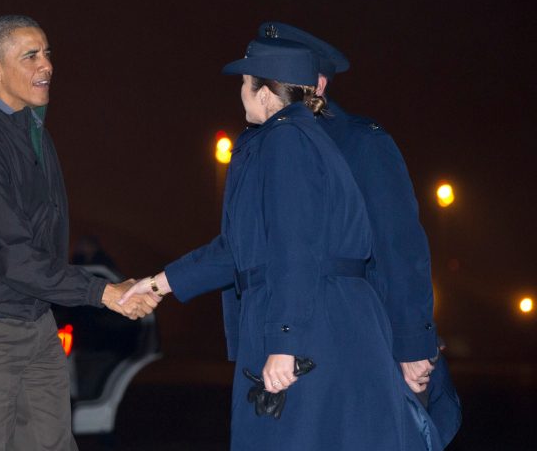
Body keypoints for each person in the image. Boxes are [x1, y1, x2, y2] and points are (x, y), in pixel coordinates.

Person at [121, 38, 440, 449]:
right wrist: (155, 285)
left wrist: (286, 342)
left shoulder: (285, 141)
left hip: (310, 327)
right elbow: (238, 249)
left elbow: (295, 248)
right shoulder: (295, 139)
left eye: (245, 83)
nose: (239, 93)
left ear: (266, 93)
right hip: (318, 318)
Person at [0, 15, 157, 451]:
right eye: (30, 56)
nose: (46, 65)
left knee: (54, 444)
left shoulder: (28, 124)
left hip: (33, 318)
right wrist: (103, 293)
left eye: (46, 53)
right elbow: (13, 255)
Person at [256, 21, 461, 446]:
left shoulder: (360, 143)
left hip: (361, 343)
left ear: (318, 83)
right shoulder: (267, 146)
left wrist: (413, 346)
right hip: (291, 344)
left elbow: (401, 250)